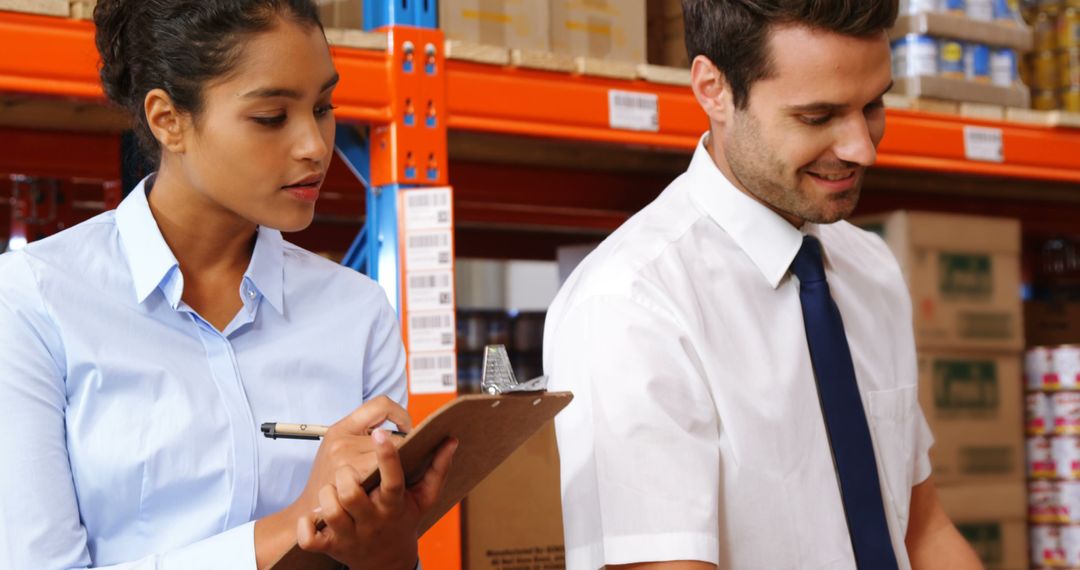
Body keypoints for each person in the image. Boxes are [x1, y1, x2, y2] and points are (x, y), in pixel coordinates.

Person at [0, 1, 456, 568]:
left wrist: (389, 545)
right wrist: (294, 525)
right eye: (271, 117)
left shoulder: (357, 312)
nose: (315, 145)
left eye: (323, 107)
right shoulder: (33, 301)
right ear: (168, 119)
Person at [543, 1, 984, 569]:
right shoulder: (630, 308)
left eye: (872, 104)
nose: (862, 148)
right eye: (818, 116)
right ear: (714, 89)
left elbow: (922, 533)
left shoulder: (871, 269)